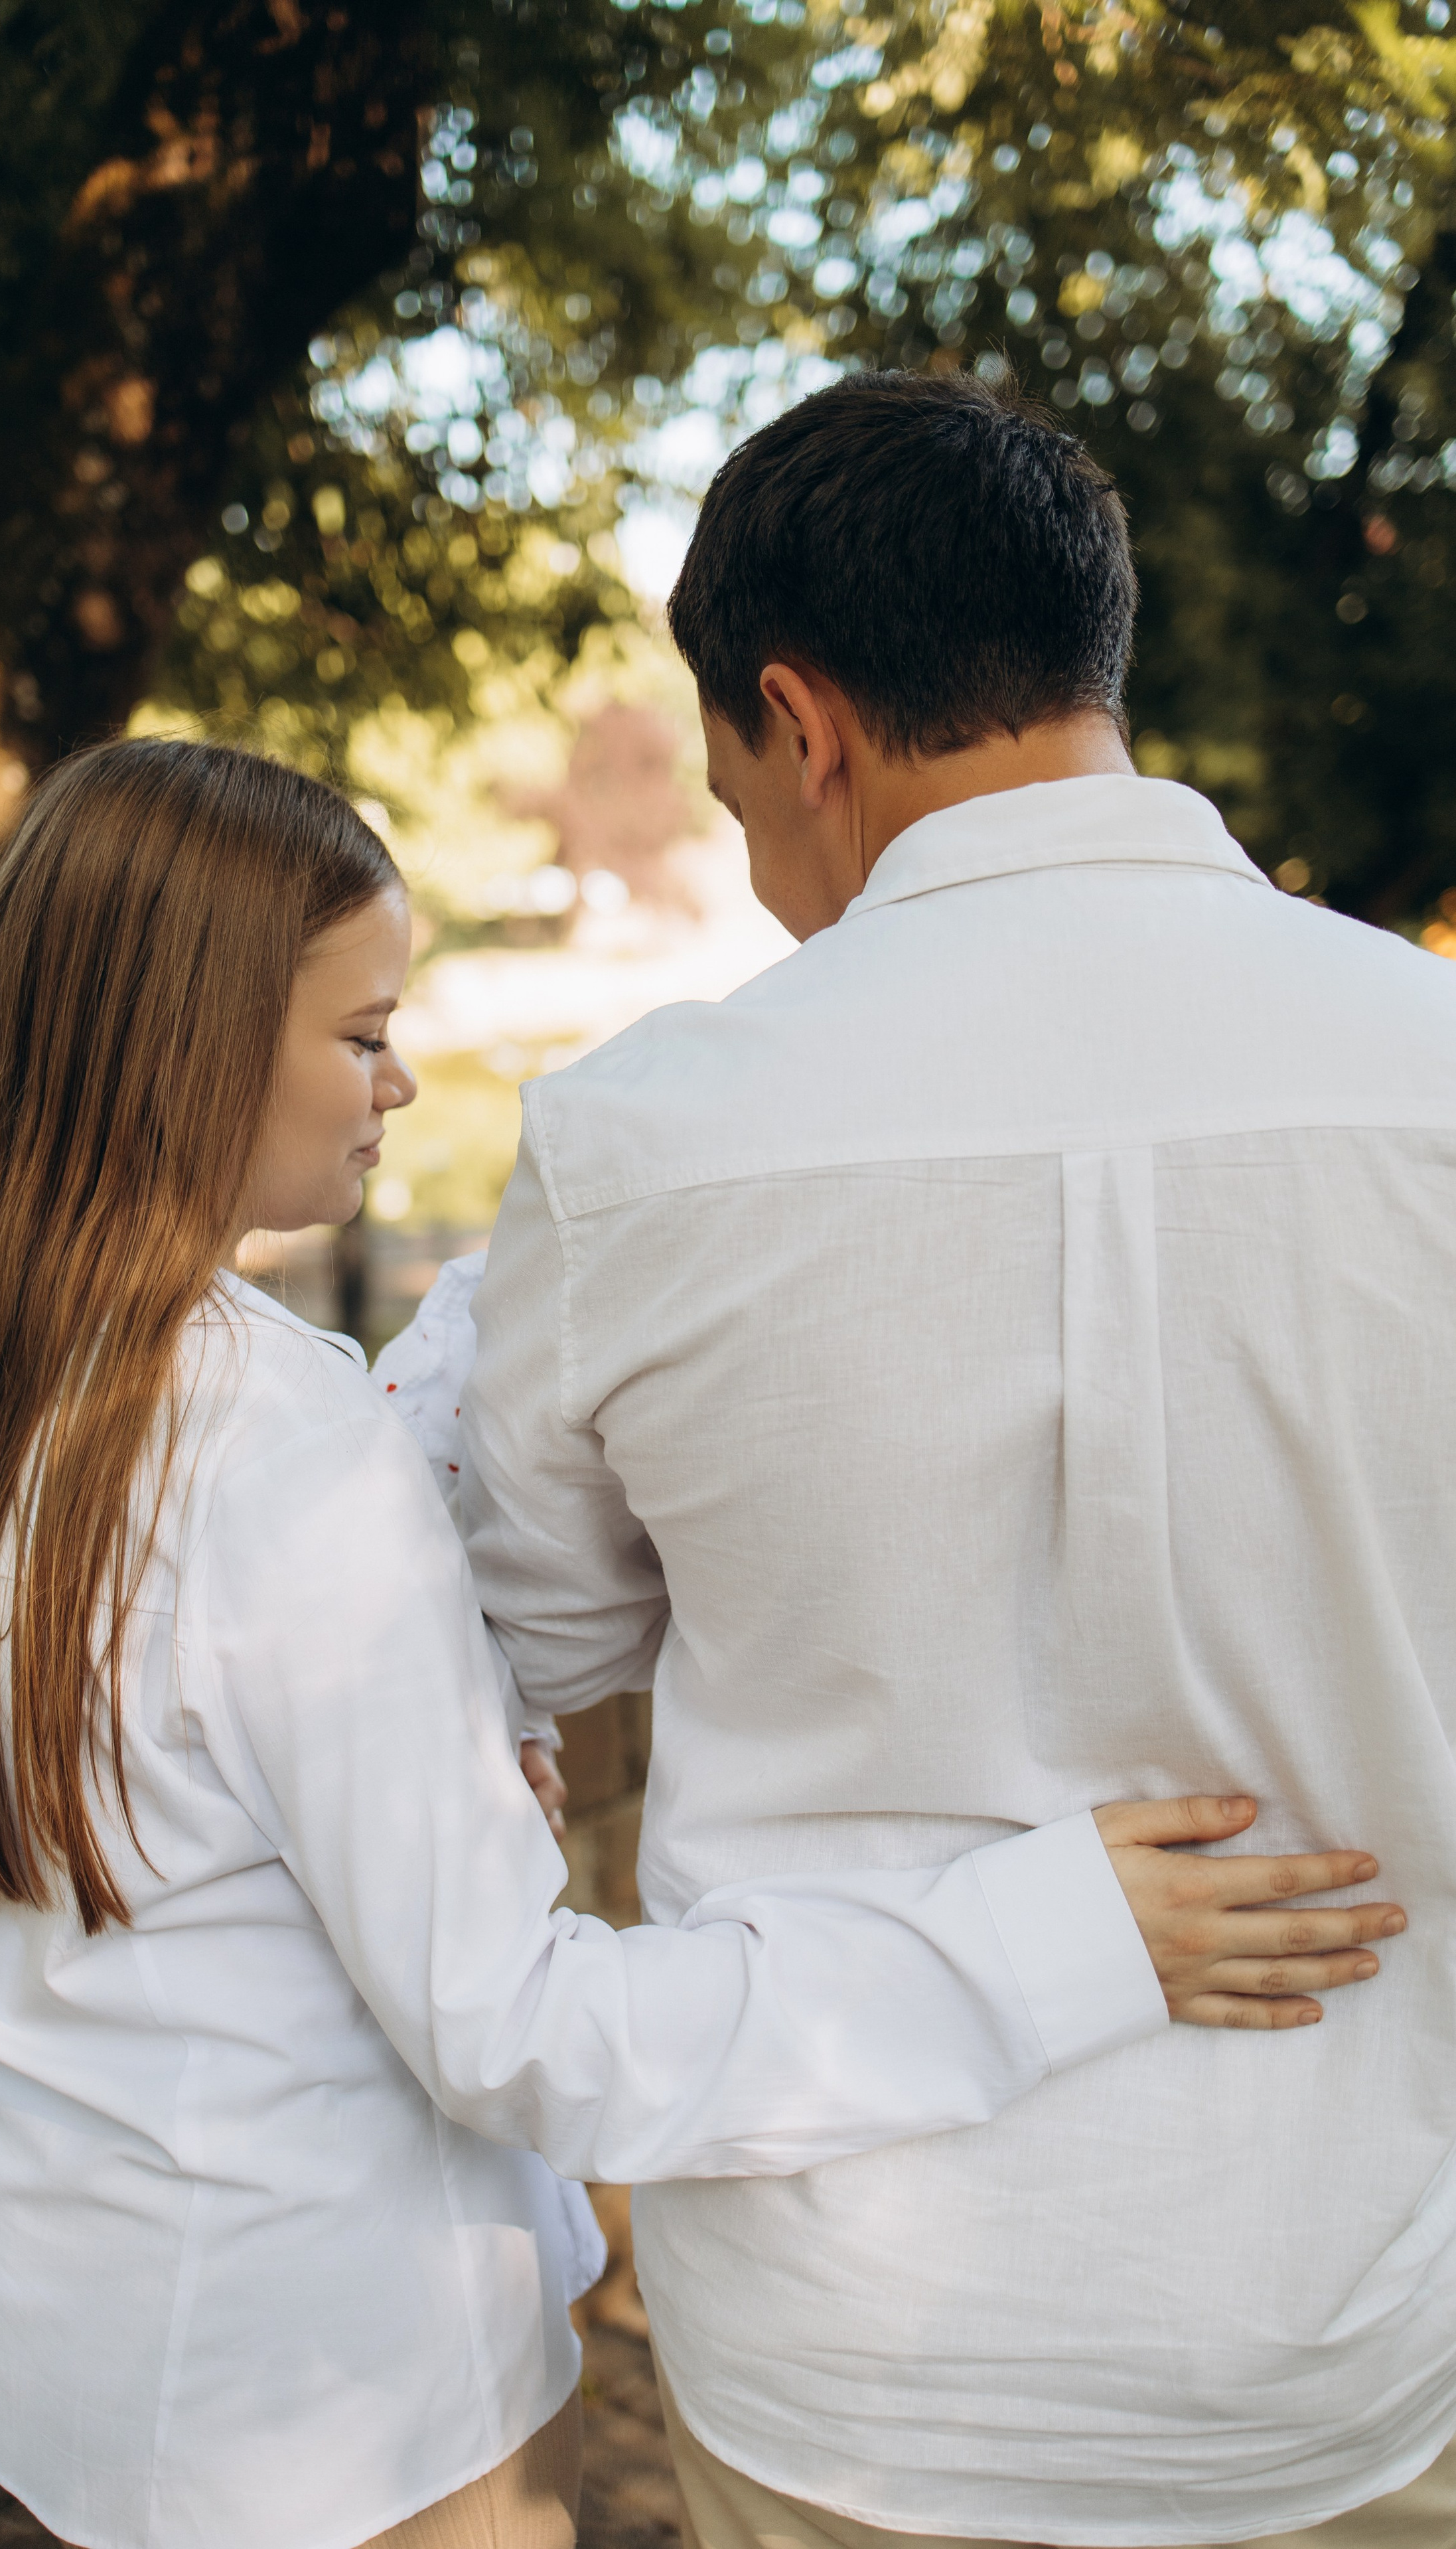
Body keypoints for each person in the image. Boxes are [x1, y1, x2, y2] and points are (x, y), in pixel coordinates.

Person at [0, 740, 1390, 2549]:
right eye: (360, 1032)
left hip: (67, 2332)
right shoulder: (273, 1455)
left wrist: (443, 1727)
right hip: (344, 2433)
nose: (396, 1081)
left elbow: (185, 1736)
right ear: (189, 1041)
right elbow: (531, 2038)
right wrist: (1057, 1940)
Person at [459, 368, 1456, 2549]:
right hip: (1358, 2320)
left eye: (734, 801)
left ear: (798, 725)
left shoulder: (640, 1141)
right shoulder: (1437, 1068)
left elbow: (518, 1640)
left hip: (859, 2372)